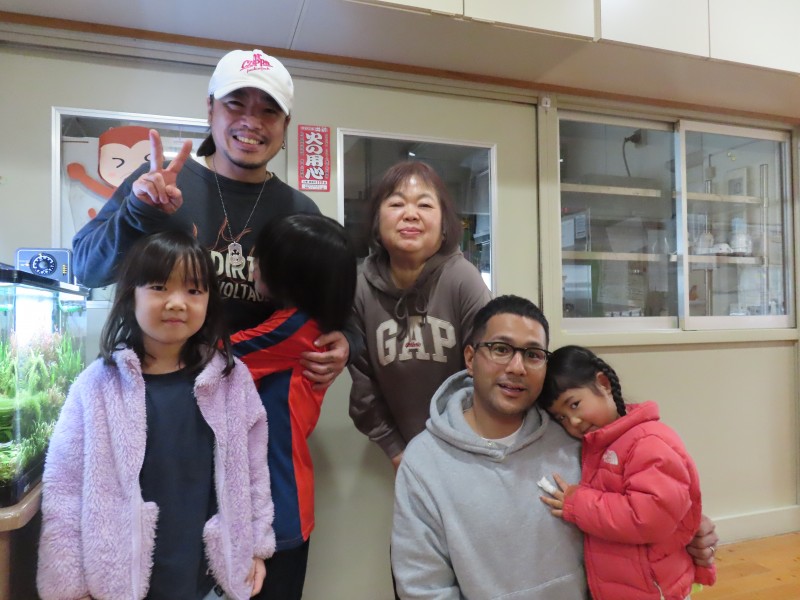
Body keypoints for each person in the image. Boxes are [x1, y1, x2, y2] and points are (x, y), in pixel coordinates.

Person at [391, 295, 719, 599]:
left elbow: (642, 507)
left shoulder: (578, 437)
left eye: (533, 354)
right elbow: (423, 588)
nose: (517, 367)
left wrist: (690, 530)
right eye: (501, 349)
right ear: (470, 358)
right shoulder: (425, 463)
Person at [71, 48, 352, 388]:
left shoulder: (299, 211)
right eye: (235, 104)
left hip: (254, 401)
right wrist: (137, 213)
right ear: (210, 108)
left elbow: (333, 297)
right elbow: (85, 269)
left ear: (285, 124)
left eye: (269, 110)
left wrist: (346, 340)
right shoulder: (157, 184)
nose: (252, 122)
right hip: (155, 394)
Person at [37, 231, 275, 600]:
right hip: (118, 583)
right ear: (130, 295)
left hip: (208, 579)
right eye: (159, 287)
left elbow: (254, 470)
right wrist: (69, 586)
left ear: (210, 301)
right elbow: (64, 490)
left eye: (194, 290)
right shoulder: (96, 387)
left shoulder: (230, 379)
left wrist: (256, 547)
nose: (177, 303)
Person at [230, 214, 357, 599]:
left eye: (259, 259)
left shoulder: (293, 329)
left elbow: (217, 355)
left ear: (290, 274)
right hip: (279, 497)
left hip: (278, 501)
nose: (252, 267)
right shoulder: (305, 324)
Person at [537, 345, 716, 600]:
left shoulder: (648, 441)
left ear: (604, 384)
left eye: (574, 405)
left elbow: (650, 517)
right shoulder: (601, 445)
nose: (573, 422)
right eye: (562, 418)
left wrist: (578, 503)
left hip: (655, 590)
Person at [348, 160, 491, 470]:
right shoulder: (360, 289)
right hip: (405, 454)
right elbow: (364, 386)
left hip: (469, 447)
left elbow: (486, 374)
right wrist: (396, 451)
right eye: (396, 203)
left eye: (424, 205)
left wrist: (461, 447)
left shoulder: (462, 279)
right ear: (377, 221)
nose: (410, 214)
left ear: (444, 224)